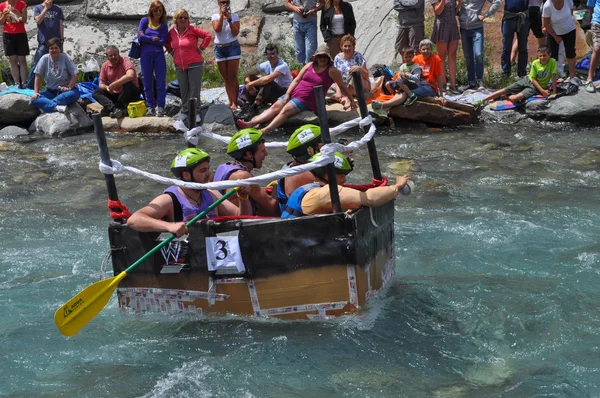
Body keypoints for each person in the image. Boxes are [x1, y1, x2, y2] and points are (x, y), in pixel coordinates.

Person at [127, 148, 252, 237]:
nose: (208, 174)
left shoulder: (211, 194)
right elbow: (134, 220)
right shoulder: (169, 199)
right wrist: (169, 226)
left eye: (208, 169)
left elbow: (243, 219)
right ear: (186, 175)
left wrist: (243, 198)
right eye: (202, 170)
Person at [236, 44, 356, 134]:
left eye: (324, 57)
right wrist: (288, 93)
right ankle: (251, 123)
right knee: (274, 107)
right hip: (294, 93)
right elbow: (297, 80)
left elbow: (342, 86)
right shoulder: (309, 65)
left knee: (285, 110)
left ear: (328, 58)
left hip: (308, 99)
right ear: (316, 57)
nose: (322, 59)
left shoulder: (332, 71)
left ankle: (265, 130)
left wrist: (352, 100)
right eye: (320, 56)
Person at [281, 151, 412, 218]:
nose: (344, 180)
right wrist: (397, 186)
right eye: (342, 175)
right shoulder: (326, 192)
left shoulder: (310, 188)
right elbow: (368, 198)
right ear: (327, 175)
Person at [213, 129, 280, 216]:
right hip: (240, 224)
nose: (266, 154)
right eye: (262, 151)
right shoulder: (243, 176)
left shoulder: (222, 167)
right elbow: (273, 209)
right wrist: (278, 184)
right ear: (249, 155)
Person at [371, 39, 445, 111]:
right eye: (423, 49)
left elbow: (439, 77)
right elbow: (408, 68)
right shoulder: (416, 58)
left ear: (431, 49)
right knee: (402, 89)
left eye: (428, 49)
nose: (426, 51)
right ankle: (384, 106)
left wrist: (440, 95)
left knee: (407, 92)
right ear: (420, 49)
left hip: (429, 86)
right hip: (416, 84)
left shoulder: (436, 59)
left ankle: (384, 105)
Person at [166, 8, 212, 123]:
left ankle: (196, 112)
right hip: (180, 65)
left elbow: (207, 36)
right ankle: (185, 111)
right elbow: (166, 42)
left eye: (185, 17)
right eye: (180, 17)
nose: (183, 19)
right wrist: (172, 52)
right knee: (184, 90)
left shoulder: (192, 29)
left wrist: (201, 48)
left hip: (195, 64)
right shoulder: (172, 32)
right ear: (176, 19)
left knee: (194, 89)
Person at [475, 45, 557, 106]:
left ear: (549, 55)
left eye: (544, 55)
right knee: (505, 89)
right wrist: (543, 91)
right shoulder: (535, 63)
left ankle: (506, 96)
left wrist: (554, 92)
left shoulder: (552, 62)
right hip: (528, 80)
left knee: (515, 98)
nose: (542, 58)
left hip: (535, 88)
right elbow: (533, 79)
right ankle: (482, 100)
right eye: (540, 56)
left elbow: (554, 76)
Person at [238, 43, 293, 120]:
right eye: (270, 54)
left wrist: (250, 84)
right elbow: (248, 75)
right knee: (252, 78)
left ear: (278, 53)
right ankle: (248, 104)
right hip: (271, 91)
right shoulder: (266, 64)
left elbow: (268, 79)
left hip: (283, 92)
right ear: (266, 55)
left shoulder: (283, 65)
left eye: (274, 53)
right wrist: (249, 85)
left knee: (267, 81)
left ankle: (255, 106)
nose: (272, 56)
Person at [277, 124, 322, 212]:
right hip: (298, 222)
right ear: (310, 150)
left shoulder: (289, 166)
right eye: (321, 145)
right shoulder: (303, 175)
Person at [458, 0, 502, 90]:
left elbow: (497, 2)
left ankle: (480, 81)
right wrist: (459, 13)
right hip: (463, 28)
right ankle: (471, 83)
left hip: (477, 28)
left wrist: (485, 15)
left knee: (478, 54)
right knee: (468, 56)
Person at [30, 37, 80, 113]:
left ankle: (49, 104)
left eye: (56, 48)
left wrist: (69, 87)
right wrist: (36, 92)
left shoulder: (65, 58)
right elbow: (37, 76)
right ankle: (56, 107)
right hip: (50, 91)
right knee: (34, 99)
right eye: (51, 48)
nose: (54, 50)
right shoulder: (44, 58)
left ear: (59, 49)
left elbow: (75, 73)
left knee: (72, 94)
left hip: (65, 92)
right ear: (48, 49)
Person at [92, 45, 141, 119]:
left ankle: (115, 109)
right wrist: (107, 87)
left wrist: (115, 84)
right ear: (107, 57)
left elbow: (130, 75)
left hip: (130, 93)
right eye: (111, 55)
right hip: (116, 94)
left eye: (115, 54)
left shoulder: (125, 61)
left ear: (118, 54)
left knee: (127, 83)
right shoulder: (105, 65)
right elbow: (101, 84)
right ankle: (114, 109)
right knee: (96, 93)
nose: (113, 57)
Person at [138, 1, 168, 117]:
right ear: (151, 10)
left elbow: (162, 41)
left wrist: (147, 38)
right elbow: (139, 36)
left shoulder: (163, 24)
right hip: (145, 55)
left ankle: (161, 107)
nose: (158, 13)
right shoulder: (144, 21)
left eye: (160, 11)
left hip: (159, 55)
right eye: (156, 10)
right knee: (147, 81)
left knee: (161, 81)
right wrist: (152, 39)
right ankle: (150, 106)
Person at [26, 0, 64, 90]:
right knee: (36, 64)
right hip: (44, 42)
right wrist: (46, 8)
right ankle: (29, 87)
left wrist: (62, 38)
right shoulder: (38, 8)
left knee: (59, 64)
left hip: (56, 42)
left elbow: (61, 24)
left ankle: (58, 86)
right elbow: (38, 21)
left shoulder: (58, 9)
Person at [212, 0, 241, 110]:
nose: (225, 5)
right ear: (219, 4)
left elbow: (235, 32)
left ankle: (235, 102)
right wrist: (221, 16)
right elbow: (217, 29)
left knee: (232, 76)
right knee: (226, 77)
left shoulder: (235, 16)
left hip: (232, 47)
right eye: (222, 2)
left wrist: (229, 19)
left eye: (226, 2)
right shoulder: (214, 16)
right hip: (220, 48)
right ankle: (230, 101)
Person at [332, 34, 371, 109]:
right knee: (325, 87)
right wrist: (338, 91)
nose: (347, 48)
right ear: (341, 47)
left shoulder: (358, 56)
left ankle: (347, 98)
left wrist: (359, 68)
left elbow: (366, 76)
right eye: (345, 46)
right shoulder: (337, 57)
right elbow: (336, 78)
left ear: (353, 47)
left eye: (349, 46)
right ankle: (341, 96)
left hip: (359, 85)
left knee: (353, 73)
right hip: (344, 85)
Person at [431, 0, 461, 94]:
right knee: (442, 57)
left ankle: (453, 85)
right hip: (442, 26)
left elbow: (454, 12)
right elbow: (438, 11)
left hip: (452, 25)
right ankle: (443, 84)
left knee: (452, 55)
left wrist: (460, 3)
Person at [542, 0, 577, 81]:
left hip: (570, 29)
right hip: (553, 31)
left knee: (570, 53)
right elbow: (546, 25)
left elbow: (571, 13)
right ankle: (553, 77)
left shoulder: (568, 1)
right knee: (552, 55)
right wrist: (555, 36)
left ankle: (572, 77)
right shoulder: (547, 5)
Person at [0, 0, 28, 88]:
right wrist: (4, 14)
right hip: (8, 34)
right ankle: (16, 83)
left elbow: (24, 19)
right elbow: (1, 22)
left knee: (22, 59)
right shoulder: (2, 5)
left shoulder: (22, 4)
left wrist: (16, 12)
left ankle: (24, 82)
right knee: (12, 60)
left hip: (20, 33)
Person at [510, 0, 546, 67]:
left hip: (526, 10)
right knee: (541, 37)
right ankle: (541, 60)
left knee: (521, 37)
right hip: (535, 10)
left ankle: (512, 60)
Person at [501, 0, 530, 77]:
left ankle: (522, 72)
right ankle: (506, 72)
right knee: (506, 47)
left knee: (523, 46)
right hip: (509, 17)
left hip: (523, 17)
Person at [585, 0, 600, 92]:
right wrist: (591, 20)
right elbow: (591, 5)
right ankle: (589, 78)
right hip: (597, 22)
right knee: (597, 49)